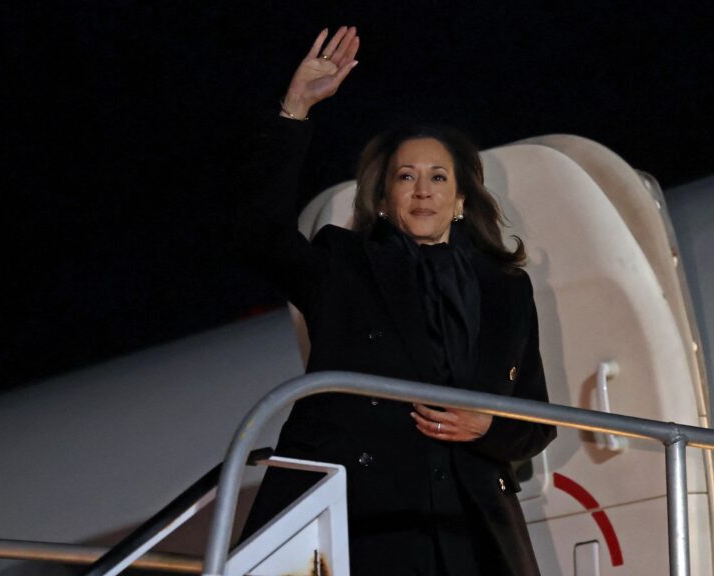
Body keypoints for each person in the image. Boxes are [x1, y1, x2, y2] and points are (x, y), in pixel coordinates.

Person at [237, 26, 556, 576]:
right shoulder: (343, 266)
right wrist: (294, 109)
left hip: (475, 530)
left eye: (438, 177)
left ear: (460, 199)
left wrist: (487, 427)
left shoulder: (505, 289)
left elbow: (537, 418)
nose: (423, 189)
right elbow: (260, 235)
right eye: (406, 177)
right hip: (370, 522)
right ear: (383, 200)